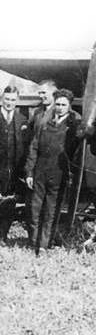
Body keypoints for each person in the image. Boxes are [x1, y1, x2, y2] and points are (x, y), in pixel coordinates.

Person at [25, 89, 81, 254]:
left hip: (59, 174)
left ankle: (43, 245)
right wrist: (29, 172)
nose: (60, 108)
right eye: (57, 104)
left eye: (64, 105)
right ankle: (34, 242)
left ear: (69, 107)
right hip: (39, 173)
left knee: (51, 211)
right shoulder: (44, 125)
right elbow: (33, 148)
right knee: (34, 209)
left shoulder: (72, 128)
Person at [0, 85, 29, 244]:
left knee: (9, 202)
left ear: (17, 101)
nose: (9, 103)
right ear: (2, 99)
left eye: (12, 100)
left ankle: (2, 235)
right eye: (7, 99)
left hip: (13, 170)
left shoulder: (21, 120)